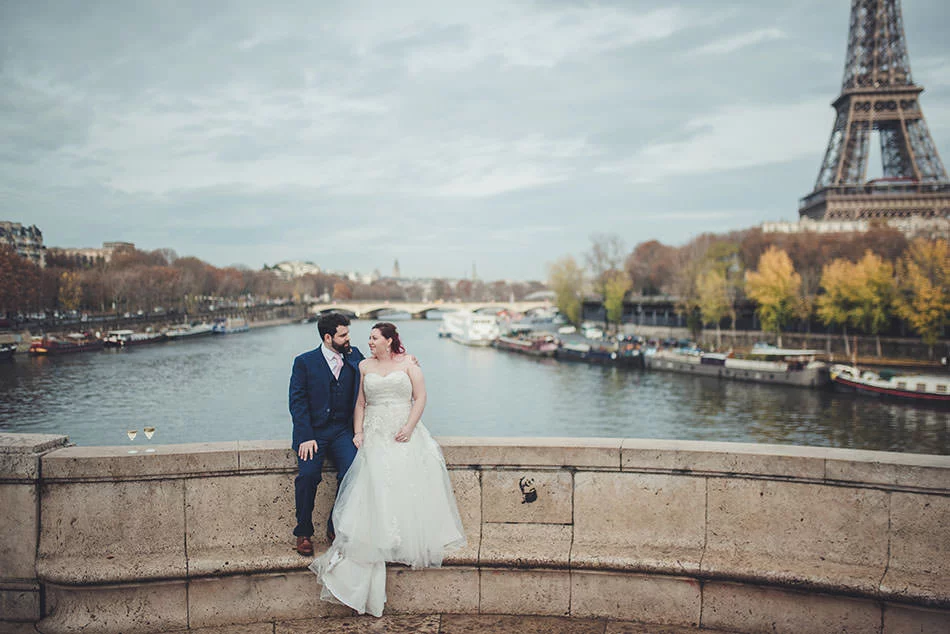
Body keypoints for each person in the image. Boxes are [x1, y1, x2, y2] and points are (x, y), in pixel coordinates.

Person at [310, 322, 466, 617]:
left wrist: (409, 427)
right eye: (368, 337)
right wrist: (358, 432)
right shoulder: (363, 365)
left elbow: (420, 397)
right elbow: (360, 402)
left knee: (405, 483)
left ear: (389, 340)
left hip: (402, 431)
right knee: (375, 487)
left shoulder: (409, 364)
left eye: (374, 337)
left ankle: (404, 538)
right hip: (375, 432)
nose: (368, 341)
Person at [289, 312, 362, 556]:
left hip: (342, 431)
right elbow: (297, 402)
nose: (348, 338)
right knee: (308, 476)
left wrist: (405, 360)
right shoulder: (304, 362)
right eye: (344, 334)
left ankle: (334, 524)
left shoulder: (354, 356)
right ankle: (303, 531)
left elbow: (377, 367)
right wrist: (306, 435)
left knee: (354, 470)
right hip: (314, 433)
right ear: (328, 337)